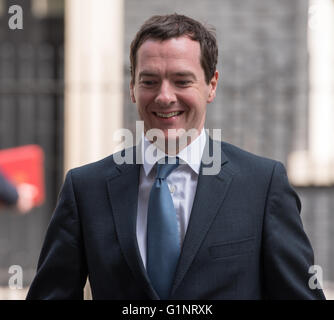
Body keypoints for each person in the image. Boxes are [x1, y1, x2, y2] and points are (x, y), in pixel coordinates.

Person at [26, 14, 325, 300]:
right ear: (132, 88)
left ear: (211, 85)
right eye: (149, 81)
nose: (164, 96)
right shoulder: (85, 189)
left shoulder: (262, 186)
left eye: (182, 81)